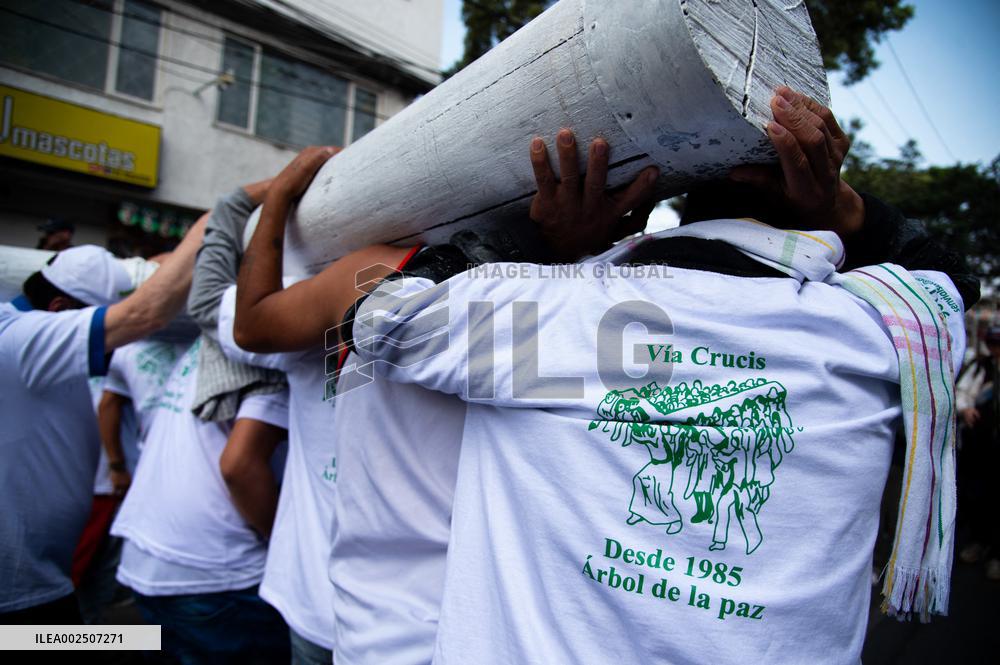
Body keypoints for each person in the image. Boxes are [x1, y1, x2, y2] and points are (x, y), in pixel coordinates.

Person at [241, 86, 977, 662]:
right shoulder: (876, 332)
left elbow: (369, 315)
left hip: (363, 624)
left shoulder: (535, 307)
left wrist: (550, 240)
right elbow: (947, 282)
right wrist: (842, 205)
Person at [0, 224, 206, 624]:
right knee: (124, 639)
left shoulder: (26, 332)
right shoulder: (20, 341)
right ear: (59, 309)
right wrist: (221, 216)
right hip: (21, 601)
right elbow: (144, 314)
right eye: (98, 317)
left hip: (39, 579)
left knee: (123, 637)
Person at [109, 336, 291, 663]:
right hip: (215, 569)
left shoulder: (209, 343)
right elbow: (240, 466)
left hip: (149, 553)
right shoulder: (264, 351)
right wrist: (285, 551)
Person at [956, 325, 1000, 578]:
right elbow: (962, 393)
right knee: (977, 495)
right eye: (993, 344)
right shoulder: (980, 367)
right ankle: (978, 543)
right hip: (980, 445)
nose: (996, 350)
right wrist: (966, 409)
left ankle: (995, 554)